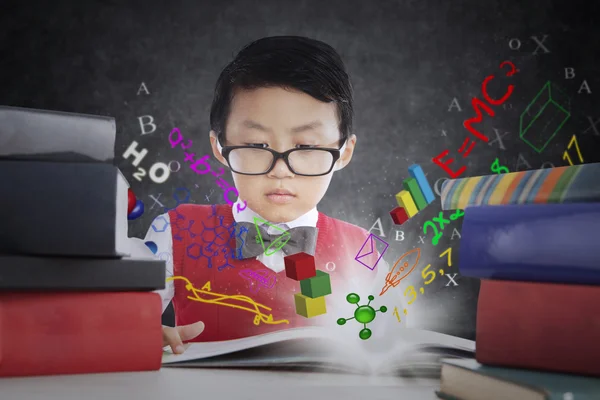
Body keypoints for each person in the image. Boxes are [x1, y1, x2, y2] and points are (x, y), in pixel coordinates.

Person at [144, 36, 391, 354]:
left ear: (344, 152)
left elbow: (388, 347)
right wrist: (140, 332)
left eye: (306, 146)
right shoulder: (175, 231)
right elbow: (115, 322)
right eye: (258, 146)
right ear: (220, 147)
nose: (280, 170)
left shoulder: (365, 252)